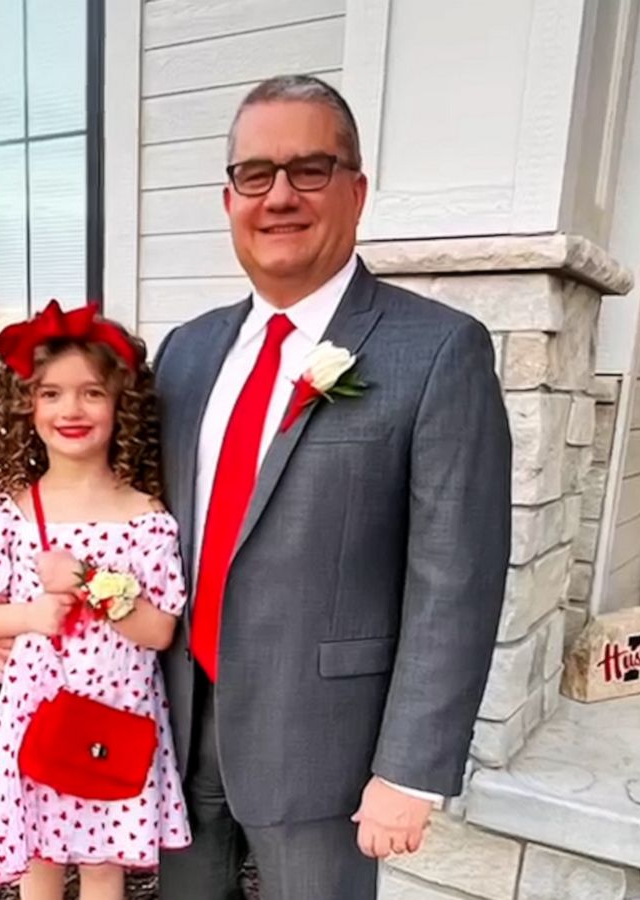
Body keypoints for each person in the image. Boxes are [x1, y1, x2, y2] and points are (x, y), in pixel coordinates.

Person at [148, 75, 513, 900]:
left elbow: (456, 578)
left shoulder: (438, 351)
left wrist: (409, 772)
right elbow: (133, 520)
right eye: (255, 175)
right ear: (228, 197)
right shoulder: (185, 353)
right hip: (178, 727)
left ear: (357, 191)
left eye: (309, 170)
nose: (278, 196)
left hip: (326, 756)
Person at [0, 301, 192, 899]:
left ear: (120, 405)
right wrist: (27, 615)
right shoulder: (7, 513)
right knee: (40, 858)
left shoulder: (144, 517)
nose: (70, 410)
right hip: (35, 717)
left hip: (117, 715)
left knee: (104, 865)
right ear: (26, 406)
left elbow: (159, 633)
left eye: (91, 394)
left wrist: (93, 584)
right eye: (50, 394)